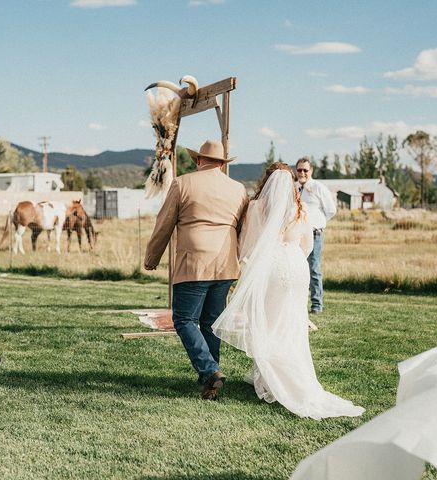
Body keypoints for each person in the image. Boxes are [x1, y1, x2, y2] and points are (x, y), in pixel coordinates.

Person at [212, 163, 364, 419]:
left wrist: (252, 265)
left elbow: (246, 243)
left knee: (268, 323)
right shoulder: (299, 210)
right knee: (291, 325)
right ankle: (286, 375)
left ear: (267, 182)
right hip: (295, 269)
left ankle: (275, 379)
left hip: (270, 269)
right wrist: (289, 255)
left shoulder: (255, 207)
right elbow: (305, 246)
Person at [144, 139, 249, 400]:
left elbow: (164, 222)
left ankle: (210, 369)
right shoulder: (238, 189)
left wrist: (152, 256)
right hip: (226, 263)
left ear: (199, 160)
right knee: (211, 323)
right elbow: (241, 228)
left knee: (184, 319)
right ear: (223, 164)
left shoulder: (183, 183)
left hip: (194, 262)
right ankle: (210, 382)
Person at [295, 157, 336, 316]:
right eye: (299, 170)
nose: (302, 173)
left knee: (314, 269)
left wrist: (317, 222)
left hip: (314, 234)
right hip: (297, 236)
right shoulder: (293, 188)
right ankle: (298, 305)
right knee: (298, 269)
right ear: (296, 171)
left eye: (305, 170)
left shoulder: (319, 187)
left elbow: (331, 210)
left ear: (311, 171)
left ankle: (317, 304)